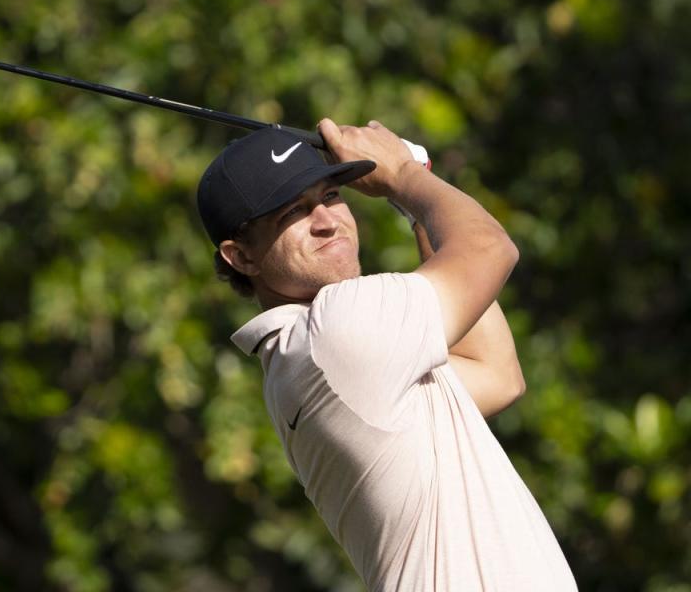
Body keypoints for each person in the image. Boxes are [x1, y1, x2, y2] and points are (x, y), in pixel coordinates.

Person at [196, 120, 577, 591]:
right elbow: (489, 247)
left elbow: (496, 374)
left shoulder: (311, 354)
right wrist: (404, 175)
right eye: (292, 212)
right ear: (241, 257)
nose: (326, 221)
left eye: (330, 196)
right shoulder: (335, 330)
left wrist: (412, 200)